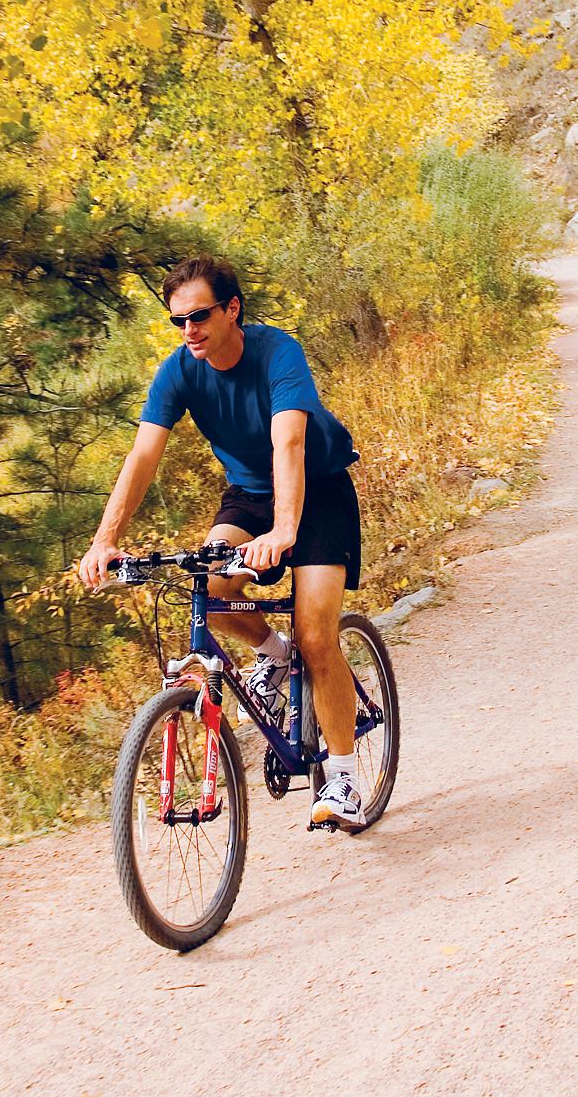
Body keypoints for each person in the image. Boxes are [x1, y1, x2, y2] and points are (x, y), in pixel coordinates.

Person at [76, 255, 366, 830]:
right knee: (208, 588)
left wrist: (285, 531)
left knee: (315, 633)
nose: (190, 330)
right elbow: (142, 456)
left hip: (319, 489)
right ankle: (275, 655)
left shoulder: (277, 353)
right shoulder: (179, 371)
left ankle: (345, 775)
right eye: (178, 320)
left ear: (233, 309)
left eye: (201, 315)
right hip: (249, 495)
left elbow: (289, 445)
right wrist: (104, 541)